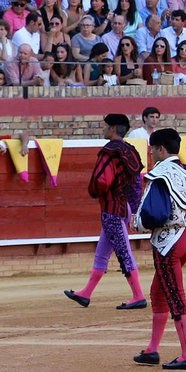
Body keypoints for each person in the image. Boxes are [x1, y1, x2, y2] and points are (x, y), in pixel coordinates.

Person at [135, 127, 186, 370]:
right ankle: (152, 350)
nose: (151, 152)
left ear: (161, 149)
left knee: (176, 295)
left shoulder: (160, 174)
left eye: (153, 149)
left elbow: (152, 213)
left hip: (168, 242)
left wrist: (138, 223)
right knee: (158, 292)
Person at [65, 112, 147, 310]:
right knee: (102, 253)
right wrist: (133, 209)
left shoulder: (109, 151)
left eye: (105, 126)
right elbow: (137, 182)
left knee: (123, 252)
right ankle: (85, 294)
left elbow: (101, 181)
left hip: (112, 209)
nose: (103, 129)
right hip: (124, 207)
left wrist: (94, 191)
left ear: (112, 128)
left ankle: (138, 296)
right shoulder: (130, 150)